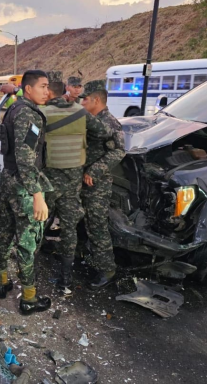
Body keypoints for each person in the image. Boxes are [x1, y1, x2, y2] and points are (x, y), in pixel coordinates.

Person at [41, 80, 111, 296]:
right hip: (73, 182)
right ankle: (66, 281)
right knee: (70, 229)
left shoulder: (42, 112)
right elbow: (104, 133)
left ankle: (31, 276)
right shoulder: (82, 114)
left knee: (41, 223)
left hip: (55, 180)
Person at [0, 69, 53, 315]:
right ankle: (29, 299)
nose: (47, 92)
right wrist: (37, 195)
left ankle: (2, 281)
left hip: (8, 180)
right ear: (28, 88)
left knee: (5, 233)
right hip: (22, 185)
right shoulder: (28, 115)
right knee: (28, 241)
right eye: (42, 86)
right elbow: (27, 159)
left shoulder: (13, 109)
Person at [80, 80, 125, 290]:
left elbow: (118, 151)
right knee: (86, 222)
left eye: (85, 99)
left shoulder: (110, 123)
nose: (82, 103)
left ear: (96, 100)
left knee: (97, 225)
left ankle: (107, 269)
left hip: (97, 183)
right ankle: (89, 256)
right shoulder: (91, 119)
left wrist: (94, 170)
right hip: (82, 179)